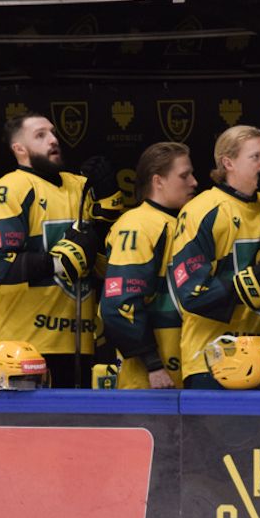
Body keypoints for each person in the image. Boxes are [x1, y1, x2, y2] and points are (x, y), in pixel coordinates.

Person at [0, 112, 119, 388]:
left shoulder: (80, 186)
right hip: (22, 347)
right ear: (19, 149)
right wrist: (57, 263)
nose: (53, 140)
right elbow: (1, 266)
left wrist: (108, 198)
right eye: (40, 135)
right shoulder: (7, 190)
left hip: (81, 343)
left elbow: (107, 259)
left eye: (53, 133)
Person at [168, 125, 260, 389]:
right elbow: (190, 294)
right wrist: (253, 283)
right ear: (228, 163)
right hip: (213, 361)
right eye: (255, 156)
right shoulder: (202, 210)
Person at [100, 142, 197, 389]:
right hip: (153, 380)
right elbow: (120, 303)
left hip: (185, 368)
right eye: (184, 176)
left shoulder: (182, 221)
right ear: (158, 181)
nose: (194, 182)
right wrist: (153, 364)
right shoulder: (137, 224)